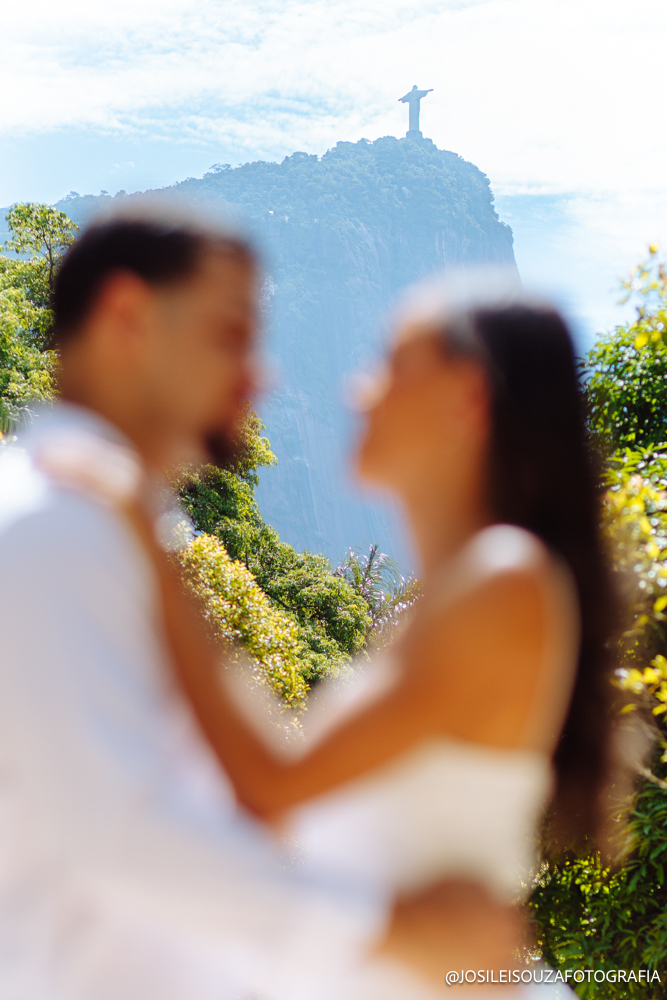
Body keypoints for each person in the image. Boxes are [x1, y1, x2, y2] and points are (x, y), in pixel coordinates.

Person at [170, 273, 620, 998]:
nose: (358, 390)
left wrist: (148, 549)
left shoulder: (506, 578)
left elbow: (271, 786)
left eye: (390, 364)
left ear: (466, 398)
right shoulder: (456, 599)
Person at [0, 201, 391, 999]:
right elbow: (118, 832)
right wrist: (390, 930)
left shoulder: (112, 526)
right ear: (127, 317)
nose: (260, 376)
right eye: (231, 334)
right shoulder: (52, 529)